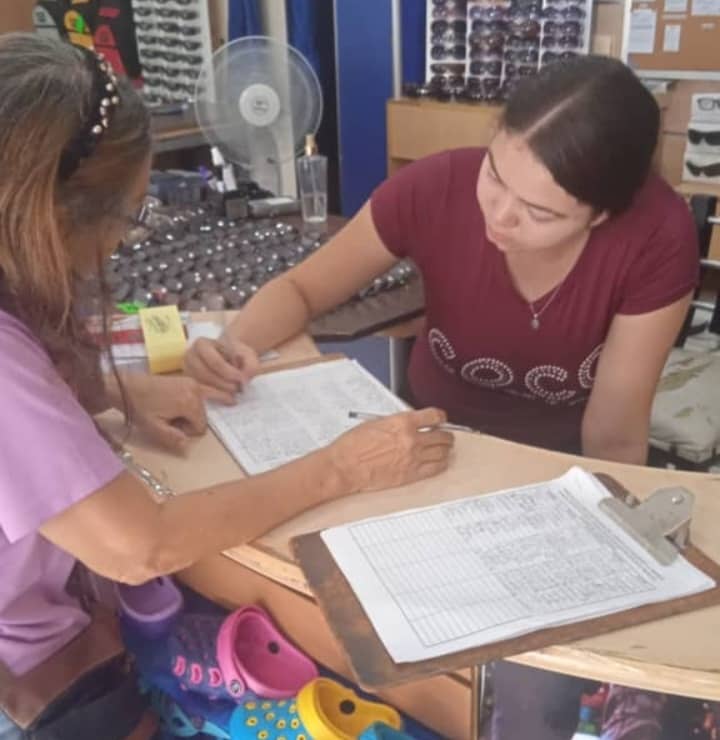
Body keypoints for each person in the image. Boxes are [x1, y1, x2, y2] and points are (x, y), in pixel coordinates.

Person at [185, 56, 699, 740]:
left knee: (531, 684)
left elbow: (612, 432)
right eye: (496, 175)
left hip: (555, 475)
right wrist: (235, 345)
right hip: (425, 442)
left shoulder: (657, 236)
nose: (501, 216)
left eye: (540, 211)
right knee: (345, 617)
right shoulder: (437, 186)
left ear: (602, 214)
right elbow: (304, 291)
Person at [0, 33, 454, 740]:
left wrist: (113, 397)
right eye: (131, 215)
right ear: (54, 216)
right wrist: (342, 466)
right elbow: (136, 546)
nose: (124, 242)